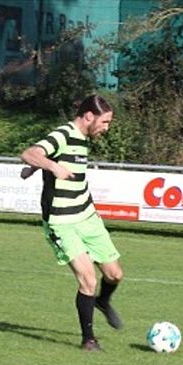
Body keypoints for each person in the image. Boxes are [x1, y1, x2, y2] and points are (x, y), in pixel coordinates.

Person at [20, 94, 123, 351]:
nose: (106, 128)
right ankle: (88, 339)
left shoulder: (84, 137)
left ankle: (102, 302)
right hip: (62, 221)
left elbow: (47, 157)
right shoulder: (64, 133)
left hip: (87, 215)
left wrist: (41, 166)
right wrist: (49, 167)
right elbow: (30, 152)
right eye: (105, 122)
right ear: (89, 116)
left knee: (115, 274)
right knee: (88, 279)